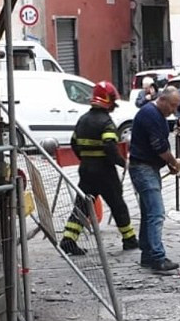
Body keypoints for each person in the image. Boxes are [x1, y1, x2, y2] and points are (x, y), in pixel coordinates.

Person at [59, 81, 138, 256]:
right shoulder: (106, 122)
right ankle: (129, 239)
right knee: (117, 204)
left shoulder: (83, 120)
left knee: (82, 205)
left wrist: (85, 159)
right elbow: (110, 146)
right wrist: (121, 162)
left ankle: (68, 239)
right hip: (105, 172)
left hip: (86, 170)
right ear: (108, 100)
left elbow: (74, 143)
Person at [129, 85, 180, 274]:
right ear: (163, 100)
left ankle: (148, 255)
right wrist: (173, 162)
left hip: (145, 166)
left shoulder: (152, 113)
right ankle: (157, 258)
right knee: (156, 213)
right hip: (144, 168)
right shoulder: (151, 114)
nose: (173, 110)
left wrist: (170, 164)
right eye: (173, 106)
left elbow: (159, 144)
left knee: (148, 212)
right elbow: (159, 146)